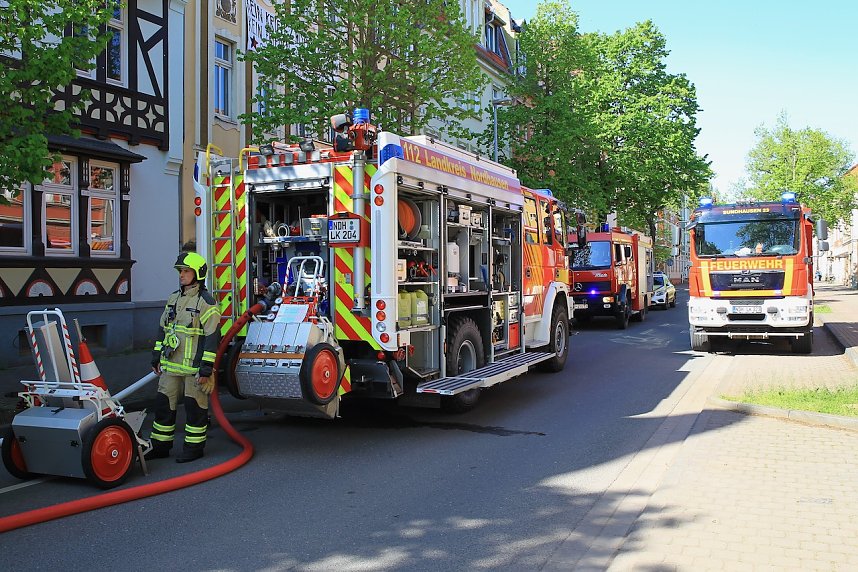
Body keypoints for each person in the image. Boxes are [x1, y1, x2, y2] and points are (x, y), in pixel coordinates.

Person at [147, 252, 221, 463]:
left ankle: (194, 448)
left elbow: (212, 339)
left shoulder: (206, 303)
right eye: (180, 271)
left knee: (195, 409)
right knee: (163, 406)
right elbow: (163, 329)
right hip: (170, 366)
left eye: (186, 271)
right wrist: (156, 356)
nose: (181, 275)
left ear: (197, 274)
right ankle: (160, 446)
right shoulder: (173, 298)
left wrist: (206, 368)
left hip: (194, 370)